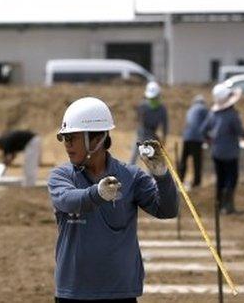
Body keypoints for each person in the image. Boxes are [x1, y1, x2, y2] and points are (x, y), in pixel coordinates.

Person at [49, 96, 178, 302]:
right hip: (73, 292)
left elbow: (167, 210)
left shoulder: (131, 176)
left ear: (96, 139)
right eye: (65, 138)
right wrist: (97, 193)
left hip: (120, 292)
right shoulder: (61, 176)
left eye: (73, 138)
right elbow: (68, 200)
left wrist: (162, 177)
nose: (67, 145)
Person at [201, 83, 244, 215]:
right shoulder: (232, 115)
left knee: (220, 179)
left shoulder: (212, 114)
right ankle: (228, 206)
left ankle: (219, 206)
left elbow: (203, 130)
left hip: (217, 152)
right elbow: (241, 133)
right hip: (230, 153)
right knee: (231, 178)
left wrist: (210, 142)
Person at [129, 81, 169, 165]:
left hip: (152, 136)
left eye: (155, 98)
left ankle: (150, 177)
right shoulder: (142, 106)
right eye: (151, 98)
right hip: (141, 134)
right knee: (134, 157)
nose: (152, 100)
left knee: (151, 161)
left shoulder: (162, 109)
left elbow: (165, 125)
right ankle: (128, 174)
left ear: (159, 96)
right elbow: (138, 119)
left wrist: (163, 139)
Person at [179, 94, 210, 187]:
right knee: (197, 161)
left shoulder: (190, 109)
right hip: (197, 138)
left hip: (186, 137)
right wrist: (208, 137)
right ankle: (197, 182)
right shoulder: (203, 109)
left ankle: (180, 179)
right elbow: (208, 123)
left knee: (184, 159)